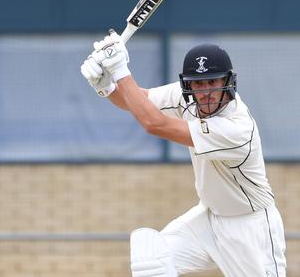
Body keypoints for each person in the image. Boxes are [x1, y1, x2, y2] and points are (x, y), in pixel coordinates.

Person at [80, 30, 287, 277]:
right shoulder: (186, 98)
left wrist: (120, 70)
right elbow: (137, 101)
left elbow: (154, 124)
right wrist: (106, 85)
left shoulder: (238, 128)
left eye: (213, 82)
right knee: (152, 259)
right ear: (189, 85)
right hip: (209, 219)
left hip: (251, 229)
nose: (206, 91)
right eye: (199, 84)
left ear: (227, 82)